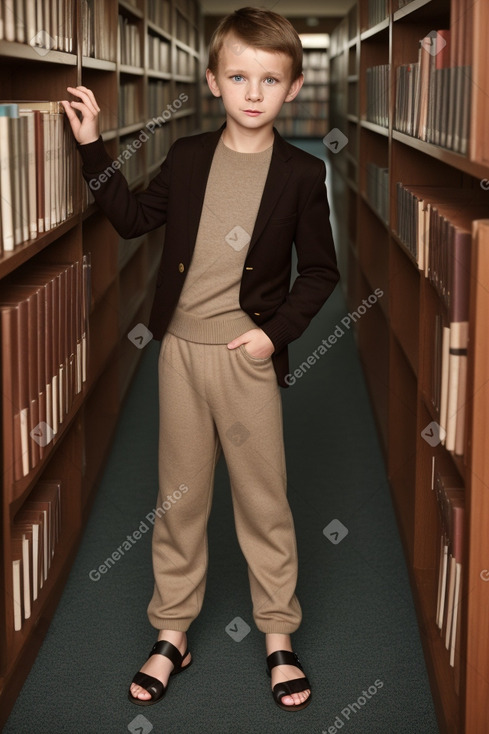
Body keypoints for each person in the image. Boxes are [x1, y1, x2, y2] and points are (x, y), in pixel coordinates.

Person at [61, 5, 339, 712]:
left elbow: (321, 273)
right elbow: (129, 219)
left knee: (263, 501)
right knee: (178, 499)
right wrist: (93, 147)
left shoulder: (303, 175)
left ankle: (278, 636)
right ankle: (172, 630)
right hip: (180, 353)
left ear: (294, 88)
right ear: (213, 81)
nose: (253, 92)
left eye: (269, 79)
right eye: (238, 76)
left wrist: (274, 336)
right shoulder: (187, 158)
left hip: (246, 359)